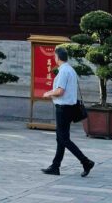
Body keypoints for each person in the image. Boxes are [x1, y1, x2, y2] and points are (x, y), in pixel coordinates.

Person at [41, 46, 95, 177]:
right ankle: (55, 166)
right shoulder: (70, 69)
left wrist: (48, 93)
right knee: (61, 138)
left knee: (63, 139)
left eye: (55, 56)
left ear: (57, 57)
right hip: (69, 108)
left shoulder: (64, 71)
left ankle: (85, 161)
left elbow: (60, 91)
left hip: (63, 109)